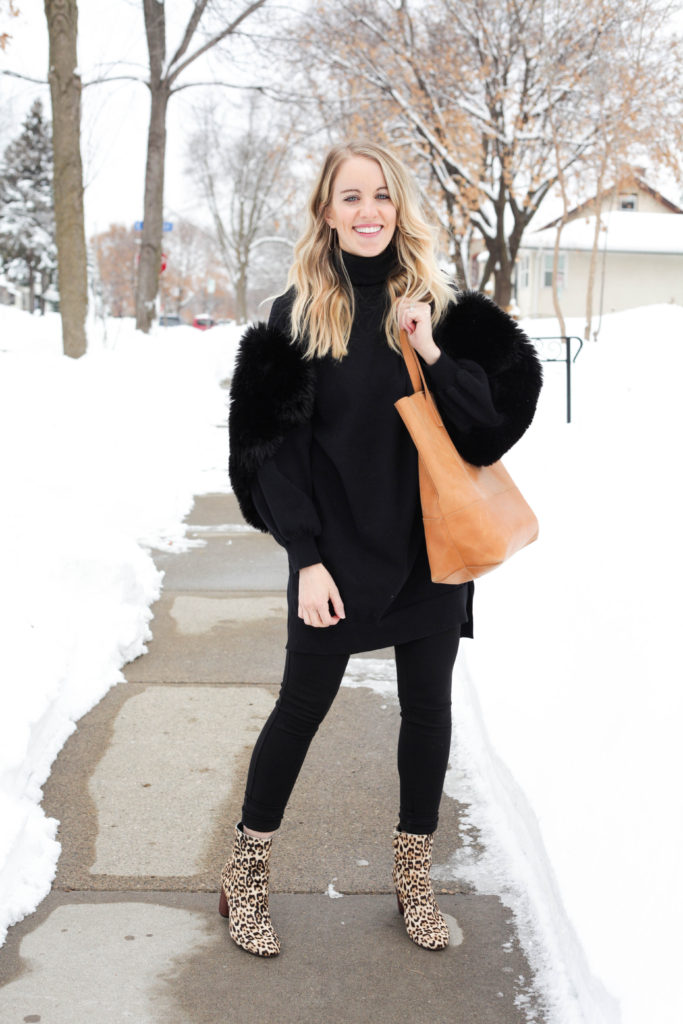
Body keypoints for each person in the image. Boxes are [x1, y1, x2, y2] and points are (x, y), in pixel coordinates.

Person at [224, 141, 542, 957]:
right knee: (301, 709)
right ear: (325, 213)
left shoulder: (442, 308)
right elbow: (270, 455)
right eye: (350, 197)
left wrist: (431, 349)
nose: (368, 212)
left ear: (399, 209)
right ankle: (247, 874)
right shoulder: (294, 316)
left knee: (428, 712)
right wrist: (305, 559)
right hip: (336, 553)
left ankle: (413, 877)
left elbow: (486, 431)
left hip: (427, 549)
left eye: (381, 197)